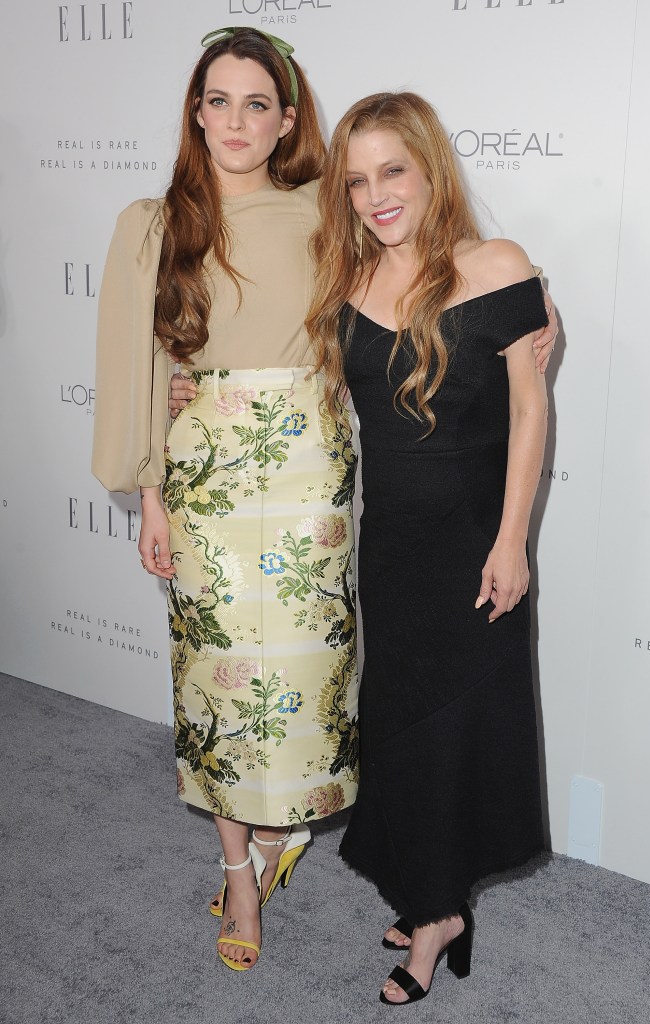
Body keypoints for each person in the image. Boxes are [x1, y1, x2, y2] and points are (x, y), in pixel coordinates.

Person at [92, 27, 360, 972]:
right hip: (205, 473)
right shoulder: (153, 220)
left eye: (257, 103)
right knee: (215, 677)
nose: (236, 120)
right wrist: (153, 497)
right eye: (218, 100)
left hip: (310, 471)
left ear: (286, 118)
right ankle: (239, 871)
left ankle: (287, 829)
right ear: (195, 112)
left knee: (301, 674)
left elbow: (414, 284)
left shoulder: (330, 207)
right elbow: (142, 363)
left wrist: (525, 318)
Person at [303, 91, 551, 1005]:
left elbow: (530, 409)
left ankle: (439, 919)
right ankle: (431, 891)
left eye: (391, 172)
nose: (375, 196)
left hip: (475, 547)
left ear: (429, 168)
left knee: (461, 725)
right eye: (357, 180)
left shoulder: (495, 265)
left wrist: (513, 539)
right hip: (393, 548)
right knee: (405, 725)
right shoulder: (347, 282)